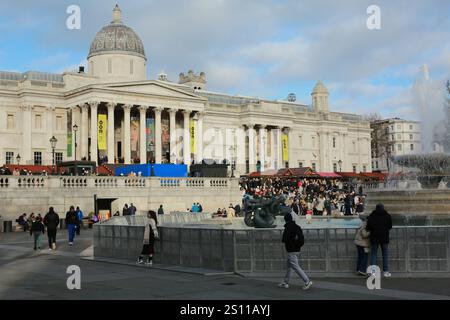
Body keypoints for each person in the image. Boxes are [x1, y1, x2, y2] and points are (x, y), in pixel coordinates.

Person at [278, 213, 313, 290]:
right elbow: (301, 239)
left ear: (285, 220)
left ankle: (307, 281)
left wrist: (289, 241)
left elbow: (284, 239)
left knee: (295, 266)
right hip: (297, 249)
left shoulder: (288, 227)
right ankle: (285, 282)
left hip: (291, 249)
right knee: (289, 266)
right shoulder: (297, 227)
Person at [366, 203, 392, 277]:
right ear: (383, 208)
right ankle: (386, 271)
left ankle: (373, 272)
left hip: (374, 237)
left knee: (373, 254)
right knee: (385, 254)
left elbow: (368, 227)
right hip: (384, 237)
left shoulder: (372, 216)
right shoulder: (387, 216)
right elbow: (390, 226)